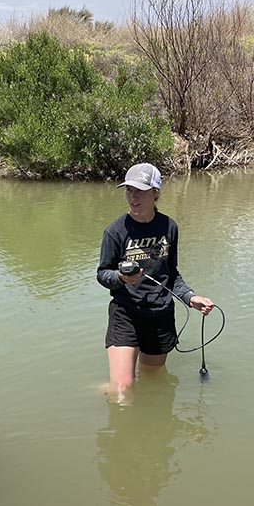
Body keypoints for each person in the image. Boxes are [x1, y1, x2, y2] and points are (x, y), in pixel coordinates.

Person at [96, 163, 213, 399]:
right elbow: (102, 274)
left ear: (156, 193)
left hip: (160, 315)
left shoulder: (169, 227)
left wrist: (190, 298)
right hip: (126, 313)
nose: (133, 196)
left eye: (139, 190)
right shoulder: (115, 232)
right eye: (129, 190)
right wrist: (121, 277)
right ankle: (117, 416)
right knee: (122, 389)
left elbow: (171, 274)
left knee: (153, 382)